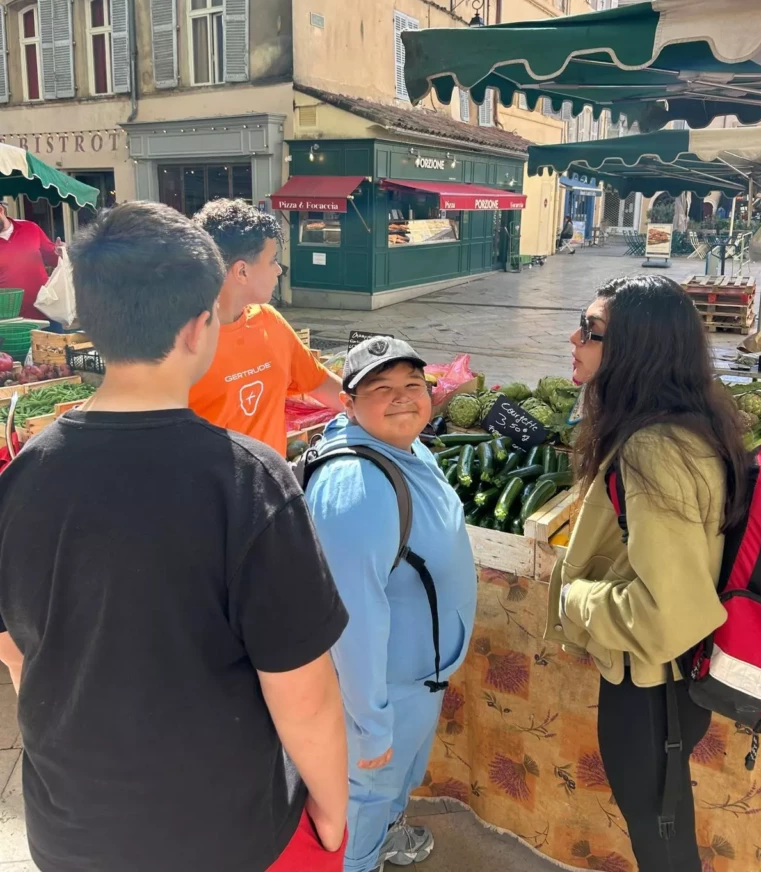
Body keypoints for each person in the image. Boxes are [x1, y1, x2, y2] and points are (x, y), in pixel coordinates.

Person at [0, 202, 350, 872]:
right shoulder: (252, 484)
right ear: (199, 328)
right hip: (225, 836)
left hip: (70, 832)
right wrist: (333, 810)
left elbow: (16, 654)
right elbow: (303, 693)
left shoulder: (19, 479)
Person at [547, 275, 749, 872]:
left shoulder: (653, 447)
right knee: (664, 822)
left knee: (660, 838)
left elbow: (667, 614)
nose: (574, 339)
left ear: (639, 347)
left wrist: (574, 598)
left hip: (649, 685)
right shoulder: (689, 424)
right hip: (672, 681)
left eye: (592, 330)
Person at [304, 337, 477, 872]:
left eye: (412, 385)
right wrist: (371, 723)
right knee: (366, 795)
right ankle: (360, 861)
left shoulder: (405, 447)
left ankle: (382, 841)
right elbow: (351, 622)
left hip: (416, 681)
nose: (403, 398)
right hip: (380, 693)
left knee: (395, 783)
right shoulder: (356, 488)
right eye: (381, 389)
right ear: (348, 404)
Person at [190, 198, 343, 454]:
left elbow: (319, 383)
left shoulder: (269, 321)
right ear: (242, 272)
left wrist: (376, 407)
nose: (279, 271)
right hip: (210, 491)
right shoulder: (178, 342)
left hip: (270, 487)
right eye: (272, 260)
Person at [0, 200, 60, 317]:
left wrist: (61, 253)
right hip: (9, 320)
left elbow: (55, 260)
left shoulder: (31, 228)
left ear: (1, 210)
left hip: (46, 312)